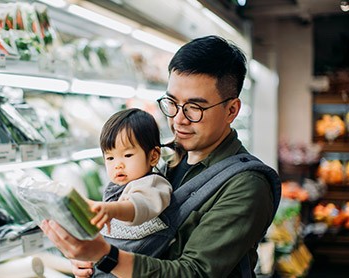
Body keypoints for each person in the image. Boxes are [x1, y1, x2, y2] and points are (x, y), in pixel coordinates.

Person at [41, 35, 280, 278]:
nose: (178, 119)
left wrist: (107, 256)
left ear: (231, 110)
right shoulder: (163, 158)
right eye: (172, 102)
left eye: (194, 108)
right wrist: (89, 258)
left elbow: (194, 273)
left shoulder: (247, 185)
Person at [89, 108, 172, 238]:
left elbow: (138, 206)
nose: (118, 165)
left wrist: (112, 210)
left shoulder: (153, 184)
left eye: (127, 155)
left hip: (138, 255)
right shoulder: (114, 186)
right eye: (110, 158)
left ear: (153, 157)